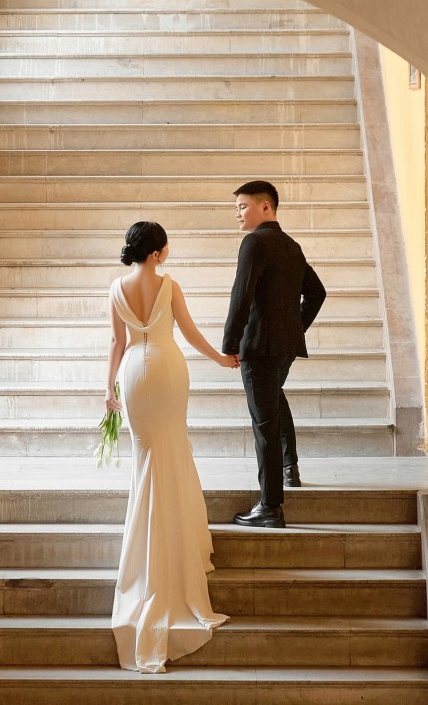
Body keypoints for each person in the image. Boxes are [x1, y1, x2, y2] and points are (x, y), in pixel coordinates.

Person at [105, 220, 236, 673]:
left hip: (133, 375)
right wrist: (221, 358)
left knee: (147, 460)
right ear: (157, 252)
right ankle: (176, 547)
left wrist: (107, 388)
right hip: (167, 369)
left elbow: (117, 343)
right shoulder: (169, 285)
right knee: (173, 452)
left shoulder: (116, 288)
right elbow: (190, 333)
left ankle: (146, 550)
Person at [222, 181, 327, 529]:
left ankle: (270, 507)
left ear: (265, 206)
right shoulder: (291, 245)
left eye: (243, 206)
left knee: (264, 423)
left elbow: (241, 296)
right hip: (284, 348)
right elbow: (317, 293)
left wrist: (230, 344)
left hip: (258, 348)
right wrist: (294, 328)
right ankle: (289, 466)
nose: (237, 213)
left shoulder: (254, 243)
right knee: (273, 403)